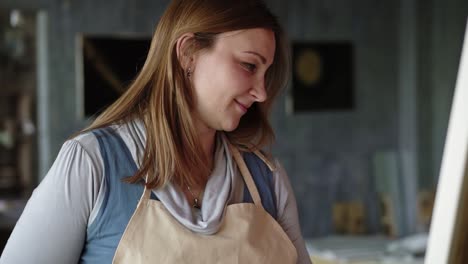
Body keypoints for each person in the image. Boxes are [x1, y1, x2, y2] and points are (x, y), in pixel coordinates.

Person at [0, 0, 312, 263]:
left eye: (266, 73)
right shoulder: (90, 163)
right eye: (249, 65)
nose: (261, 92)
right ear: (188, 53)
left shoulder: (267, 179)